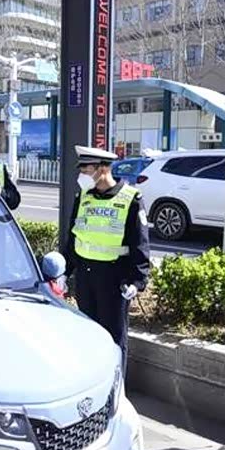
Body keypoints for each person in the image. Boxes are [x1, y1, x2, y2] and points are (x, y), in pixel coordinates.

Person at [63, 145, 150, 371]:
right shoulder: (83, 196)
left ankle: (116, 384)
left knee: (113, 338)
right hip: (85, 277)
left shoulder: (130, 198)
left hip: (114, 279)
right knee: (87, 334)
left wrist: (137, 281)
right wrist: (64, 271)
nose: (81, 175)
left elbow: (139, 243)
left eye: (86, 169)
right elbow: (74, 236)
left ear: (102, 170)